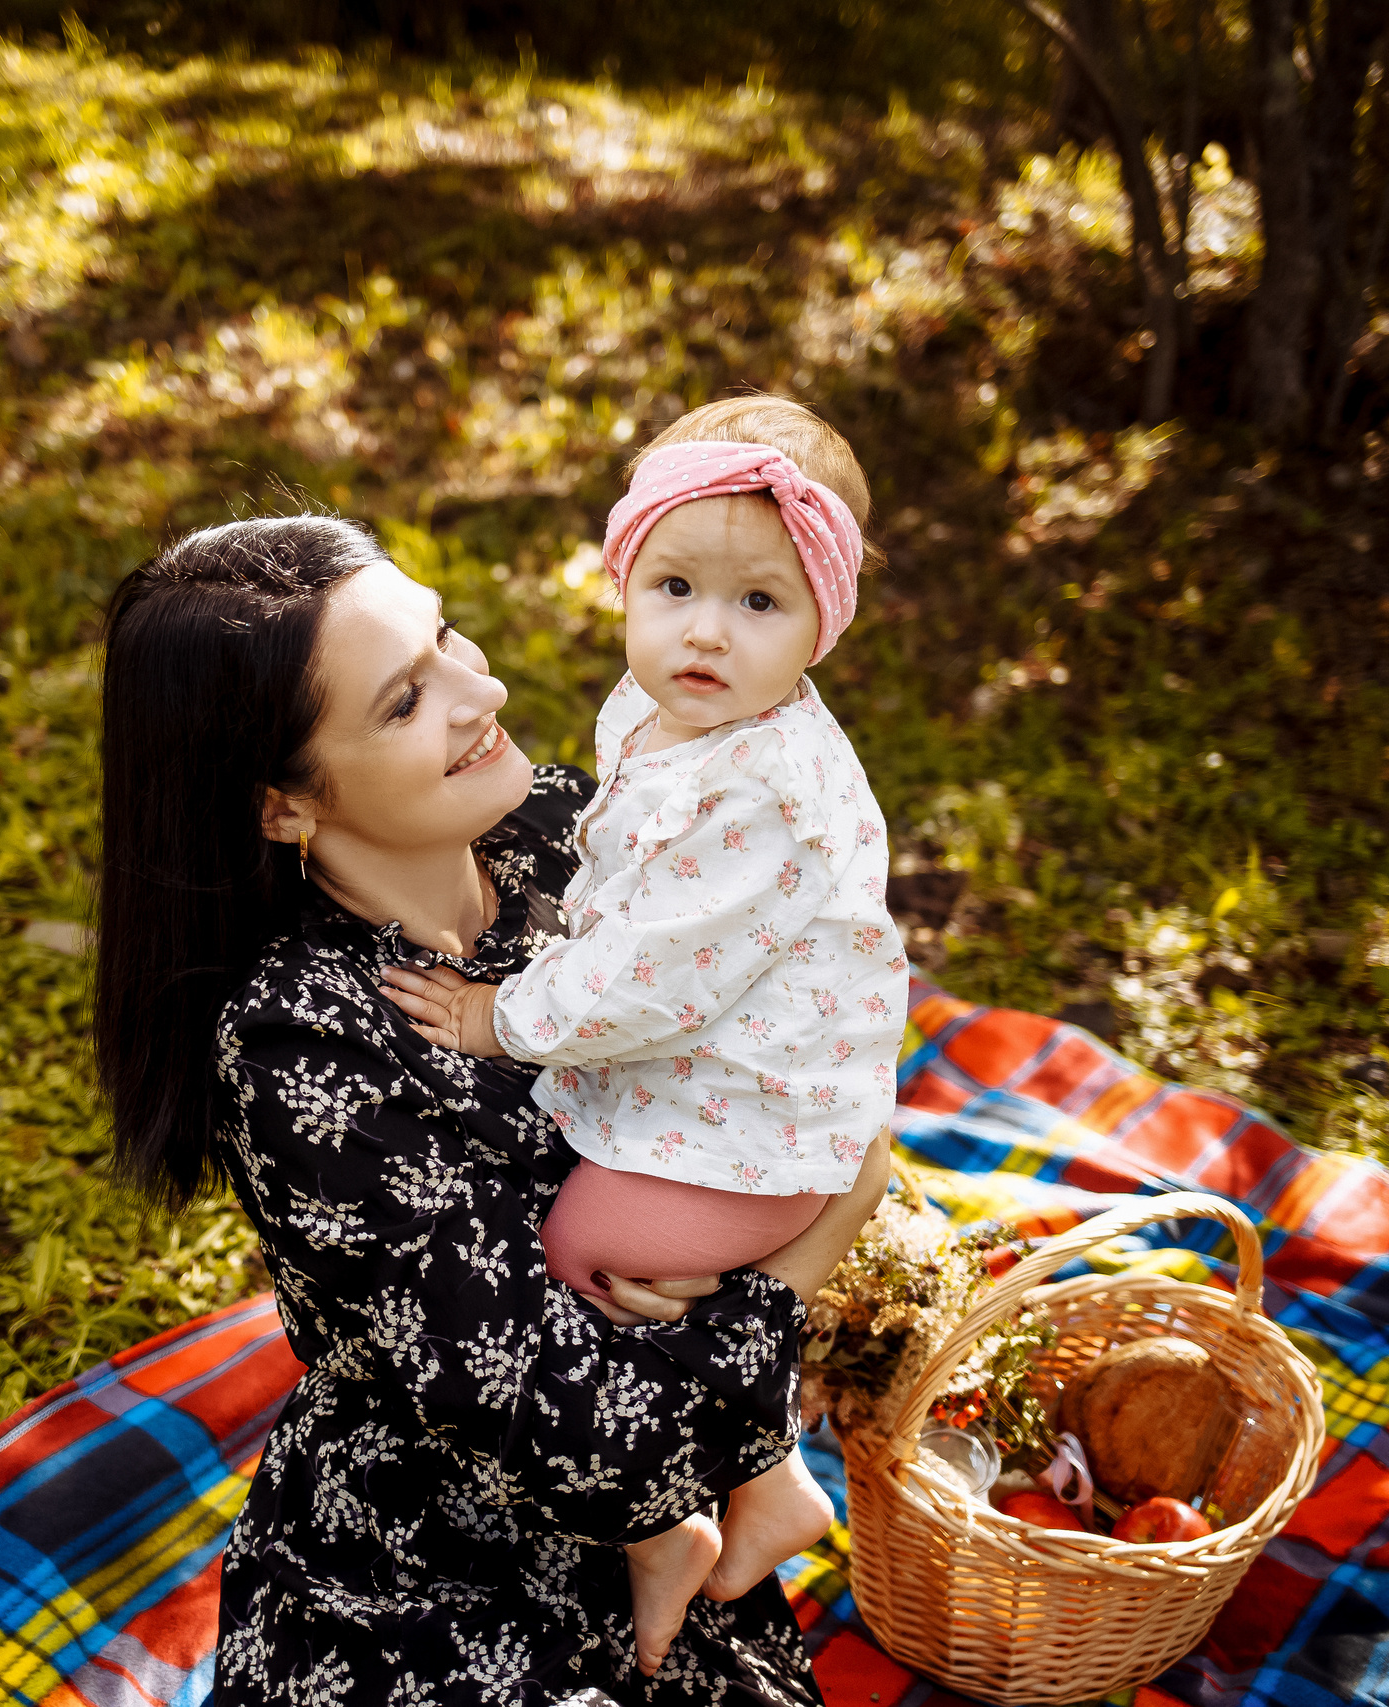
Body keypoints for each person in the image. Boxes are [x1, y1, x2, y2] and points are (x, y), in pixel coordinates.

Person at [92, 512, 901, 1704]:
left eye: (448, 640)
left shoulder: (563, 833)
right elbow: (580, 1434)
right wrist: (813, 1244)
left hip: (683, 1489)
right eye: (403, 703)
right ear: (281, 806)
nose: (484, 690)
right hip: (434, 1575)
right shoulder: (301, 1047)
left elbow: (781, 1049)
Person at [380, 400, 905, 1670]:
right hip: (724, 1091)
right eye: (674, 586)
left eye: (760, 605)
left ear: (822, 624)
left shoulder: (765, 789)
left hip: (760, 1128)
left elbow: (655, 981)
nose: (706, 632)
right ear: (626, 579)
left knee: (579, 1256)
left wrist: (500, 1019)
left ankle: (668, 1517)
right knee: (586, 1246)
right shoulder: (667, 716)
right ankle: (765, 1476)